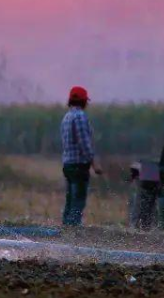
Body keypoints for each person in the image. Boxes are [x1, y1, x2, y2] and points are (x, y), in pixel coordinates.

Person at [60, 86, 103, 226]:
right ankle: (73, 231)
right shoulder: (79, 116)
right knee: (78, 201)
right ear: (84, 101)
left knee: (70, 200)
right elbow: (84, 143)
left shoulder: (67, 117)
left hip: (68, 164)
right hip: (79, 165)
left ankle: (66, 229)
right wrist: (94, 163)